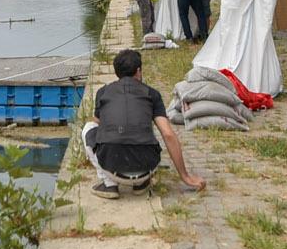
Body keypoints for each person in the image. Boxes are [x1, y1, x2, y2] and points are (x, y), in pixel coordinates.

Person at [82, 49, 204, 198]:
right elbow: (168, 134)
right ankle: (140, 183)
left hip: (111, 167)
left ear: (116, 72)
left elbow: (97, 123)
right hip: (146, 169)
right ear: (138, 71)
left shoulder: (103, 92)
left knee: (89, 127)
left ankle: (109, 185)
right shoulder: (152, 94)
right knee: (146, 131)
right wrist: (186, 176)